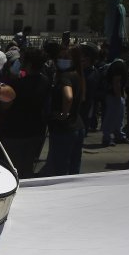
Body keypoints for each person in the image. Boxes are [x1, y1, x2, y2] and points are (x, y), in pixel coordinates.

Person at [0, 47, 50, 178]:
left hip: (15, 132)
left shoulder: (17, 84)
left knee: (11, 168)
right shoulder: (45, 81)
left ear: (29, 64)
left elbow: (4, 106)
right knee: (27, 166)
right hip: (35, 130)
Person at [42, 46, 86, 176]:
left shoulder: (65, 77)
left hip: (64, 128)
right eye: (60, 57)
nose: (62, 60)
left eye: (66, 58)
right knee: (74, 164)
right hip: (77, 125)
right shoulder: (78, 75)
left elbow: (68, 97)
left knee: (61, 166)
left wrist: (63, 113)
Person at [102, 44, 129, 146]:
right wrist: (119, 96)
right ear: (126, 52)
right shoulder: (119, 65)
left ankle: (119, 135)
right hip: (114, 95)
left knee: (118, 117)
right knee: (111, 117)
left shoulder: (119, 63)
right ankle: (107, 138)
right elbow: (116, 81)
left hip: (116, 94)